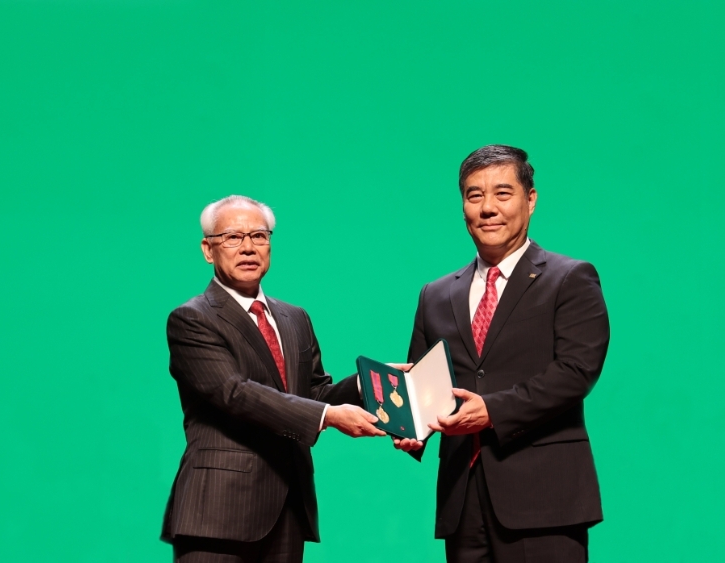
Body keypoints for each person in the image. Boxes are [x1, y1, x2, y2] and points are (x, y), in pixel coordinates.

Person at [396, 145, 610, 562]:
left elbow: (576, 371)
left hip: (545, 498)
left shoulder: (570, 278)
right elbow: (422, 383)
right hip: (462, 501)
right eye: (474, 195)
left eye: (502, 193)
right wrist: (410, 425)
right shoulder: (434, 294)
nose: (487, 208)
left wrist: (492, 411)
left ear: (531, 200)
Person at [161, 195, 385, 563]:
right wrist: (328, 417)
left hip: (287, 509)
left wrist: (369, 383)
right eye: (233, 237)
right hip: (218, 512)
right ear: (208, 250)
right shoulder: (192, 319)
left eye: (259, 236)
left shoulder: (295, 317)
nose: (248, 247)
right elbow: (234, 393)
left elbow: (313, 392)